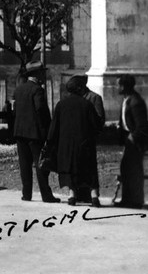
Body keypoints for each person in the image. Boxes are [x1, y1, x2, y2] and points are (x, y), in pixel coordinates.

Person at [43, 76, 104, 205]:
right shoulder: (87, 104)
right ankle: (94, 196)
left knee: (71, 169)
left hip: (66, 145)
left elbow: (54, 128)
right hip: (85, 143)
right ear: (80, 88)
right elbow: (96, 125)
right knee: (89, 169)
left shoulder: (61, 105)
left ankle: (72, 196)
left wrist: (50, 142)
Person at [12, 65, 56, 202]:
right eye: (42, 73)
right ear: (36, 74)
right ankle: (46, 195)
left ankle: (26, 194)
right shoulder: (38, 90)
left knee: (24, 165)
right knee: (40, 164)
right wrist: (48, 130)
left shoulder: (18, 89)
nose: (44, 76)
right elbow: (41, 110)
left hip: (20, 133)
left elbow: (14, 112)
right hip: (35, 134)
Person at [116, 74, 148, 208]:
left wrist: (132, 137)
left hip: (136, 142)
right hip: (129, 140)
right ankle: (127, 199)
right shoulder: (127, 100)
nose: (117, 87)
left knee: (134, 170)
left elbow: (141, 125)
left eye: (119, 85)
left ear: (124, 86)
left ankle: (135, 201)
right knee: (126, 169)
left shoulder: (135, 102)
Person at [81, 76, 106, 206]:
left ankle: (93, 195)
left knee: (90, 166)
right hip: (78, 139)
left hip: (88, 138)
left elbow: (100, 119)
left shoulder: (94, 97)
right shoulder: (76, 98)